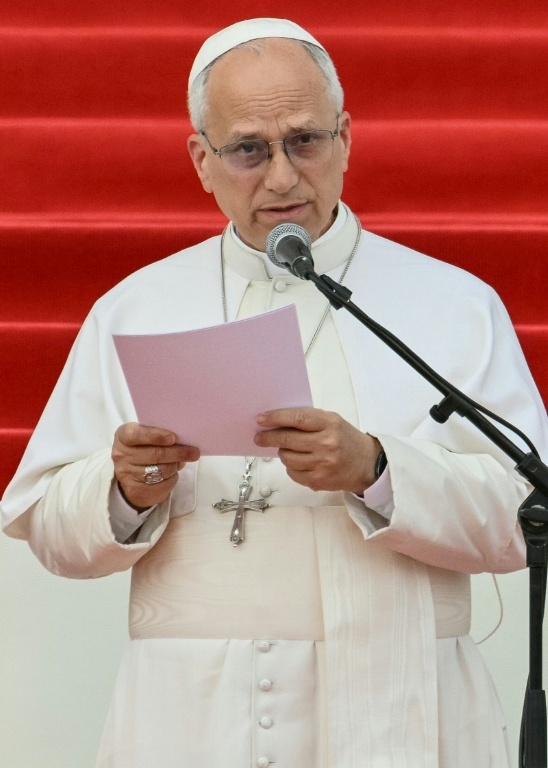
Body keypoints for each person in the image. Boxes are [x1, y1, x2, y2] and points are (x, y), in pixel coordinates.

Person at [2, 17, 547, 768]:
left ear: (345, 139)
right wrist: (123, 490)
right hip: (189, 722)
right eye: (249, 150)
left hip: (397, 702)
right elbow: (44, 525)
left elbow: (529, 516)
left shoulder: (453, 304)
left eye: (305, 141)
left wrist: (378, 470)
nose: (283, 177)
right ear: (202, 160)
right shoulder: (135, 308)